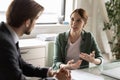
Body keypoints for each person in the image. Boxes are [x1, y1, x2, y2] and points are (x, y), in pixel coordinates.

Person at [0, 0, 71, 80]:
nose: (35, 23)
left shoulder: (7, 35)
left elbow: (22, 65)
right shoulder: (5, 44)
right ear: (27, 22)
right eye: (36, 19)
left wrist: (50, 72)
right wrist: (56, 79)